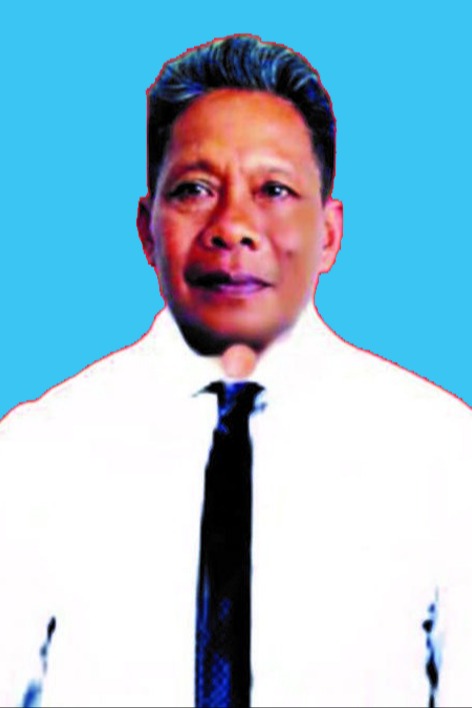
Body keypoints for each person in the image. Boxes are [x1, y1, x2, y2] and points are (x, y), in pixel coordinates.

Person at [0, 34, 471, 708]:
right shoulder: (35, 453)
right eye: (195, 189)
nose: (233, 227)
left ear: (329, 233)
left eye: (274, 190)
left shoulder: (445, 453)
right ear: (147, 228)